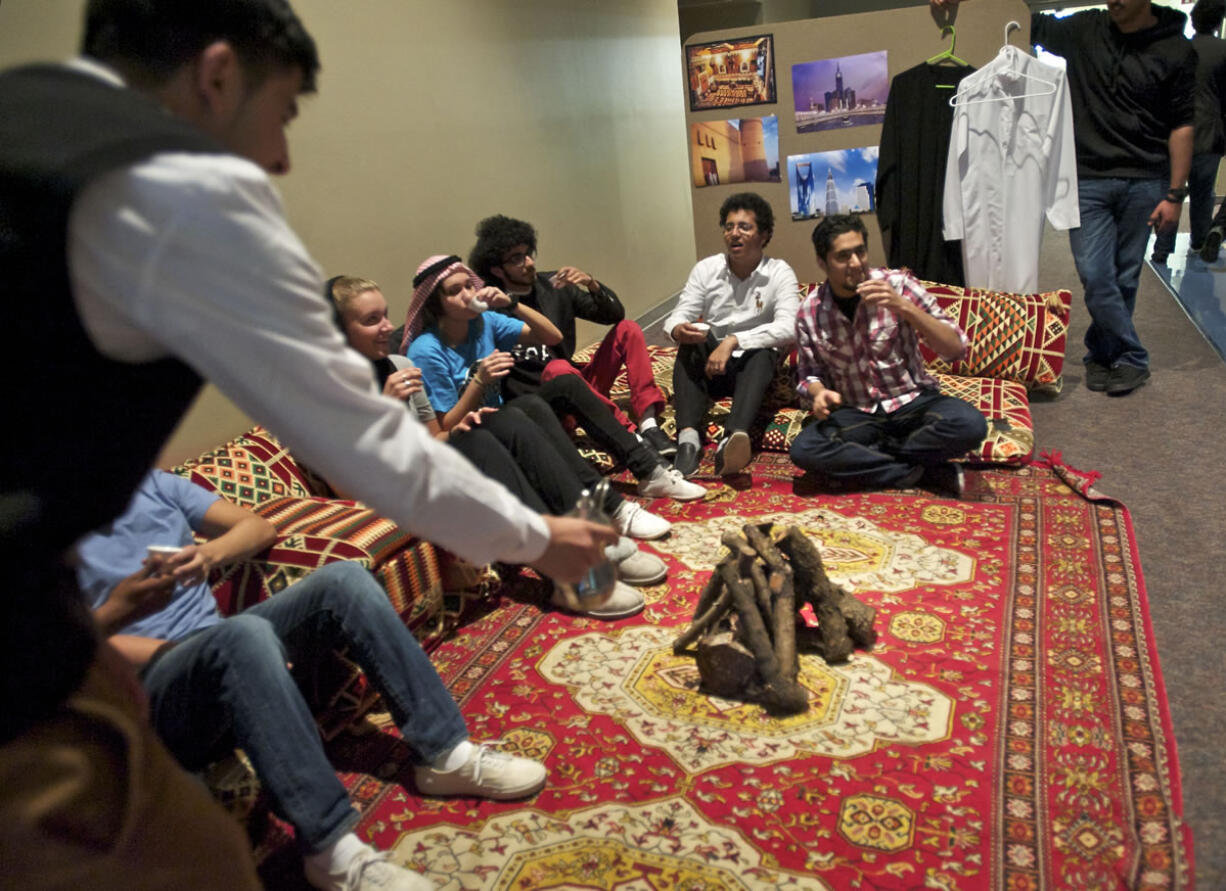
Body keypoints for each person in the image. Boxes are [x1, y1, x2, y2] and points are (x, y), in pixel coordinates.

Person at [0, 3, 612, 888]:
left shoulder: (30, 110)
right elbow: (360, 433)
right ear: (216, 76)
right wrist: (538, 538)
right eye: (282, 112)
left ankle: (433, 758)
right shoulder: (173, 183)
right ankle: (335, 852)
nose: (281, 157)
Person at [79, 471, 548, 891]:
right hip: (146, 691)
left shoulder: (152, 484)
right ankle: (331, 850)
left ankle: (445, 753)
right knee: (242, 635)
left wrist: (206, 555)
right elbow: (57, 653)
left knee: (343, 580)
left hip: (221, 643)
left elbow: (258, 527)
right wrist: (121, 608)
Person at [329, 274, 671, 618]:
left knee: (508, 418)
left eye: (385, 315)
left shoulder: (398, 366)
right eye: (372, 320)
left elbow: (435, 436)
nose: (387, 328)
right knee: (484, 437)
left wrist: (465, 425)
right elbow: (344, 488)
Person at [931, 0, 1196, 396]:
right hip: (1087, 178)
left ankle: (1104, 354)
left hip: (1145, 178)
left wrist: (1175, 194)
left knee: (1125, 275)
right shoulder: (1083, 29)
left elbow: (1182, 125)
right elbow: (1020, 17)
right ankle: (1134, 356)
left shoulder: (1176, 49)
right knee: (1095, 274)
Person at [401, 255, 708, 504]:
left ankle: (649, 467)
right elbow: (442, 430)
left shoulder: (487, 320)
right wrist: (480, 382)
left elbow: (552, 337)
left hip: (513, 414)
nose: (468, 295)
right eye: (455, 291)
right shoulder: (427, 351)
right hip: (482, 434)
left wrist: (513, 305)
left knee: (567, 381)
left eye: (469, 285)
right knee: (555, 380)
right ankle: (609, 506)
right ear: (434, 303)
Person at [790, 215, 987, 496]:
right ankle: (925, 472)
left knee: (970, 425)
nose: (856, 263)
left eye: (860, 251)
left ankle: (871, 460)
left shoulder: (899, 286)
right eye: (843, 256)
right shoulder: (810, 311)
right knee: (805, 450)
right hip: (857, 412)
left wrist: (903, 307)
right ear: (823, 262)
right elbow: (809, 374)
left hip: (912, 402)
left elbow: (955, 349)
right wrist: (818, 392)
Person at [468, 214, 674, 457]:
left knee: (628, 329)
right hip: (547, 402)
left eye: (528, 254)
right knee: (557, 368)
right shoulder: (493, 306)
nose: (528, 263)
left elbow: (614, 315)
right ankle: (628, 434)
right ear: (497, 269)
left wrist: (592, 284)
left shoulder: (553, 286)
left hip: (578, 383)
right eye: (516, 259)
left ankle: (648, 424)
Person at [661, 192, 800, 478]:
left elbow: (790, 327)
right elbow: (679, 313)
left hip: (750, 371)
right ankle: (688, 440)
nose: (734, 233)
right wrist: (678, 329)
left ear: (764, 235)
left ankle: (733, 438)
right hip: (710, 366)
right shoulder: (706, 269)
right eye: (728, 226)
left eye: (744, 227)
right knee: (693, 340)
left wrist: (735, 341)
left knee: (763, 353)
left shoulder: (779, 272)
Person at [1153, 0, 1226, 264]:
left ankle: (1161, 249)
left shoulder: (1179, 49)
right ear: (1218, 23)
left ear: (1193, 21)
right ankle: (1198, 243)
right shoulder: (1223, 50)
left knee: (1171, 190)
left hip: (1174, 131)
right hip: (1210, 132)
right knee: (1202, 192)